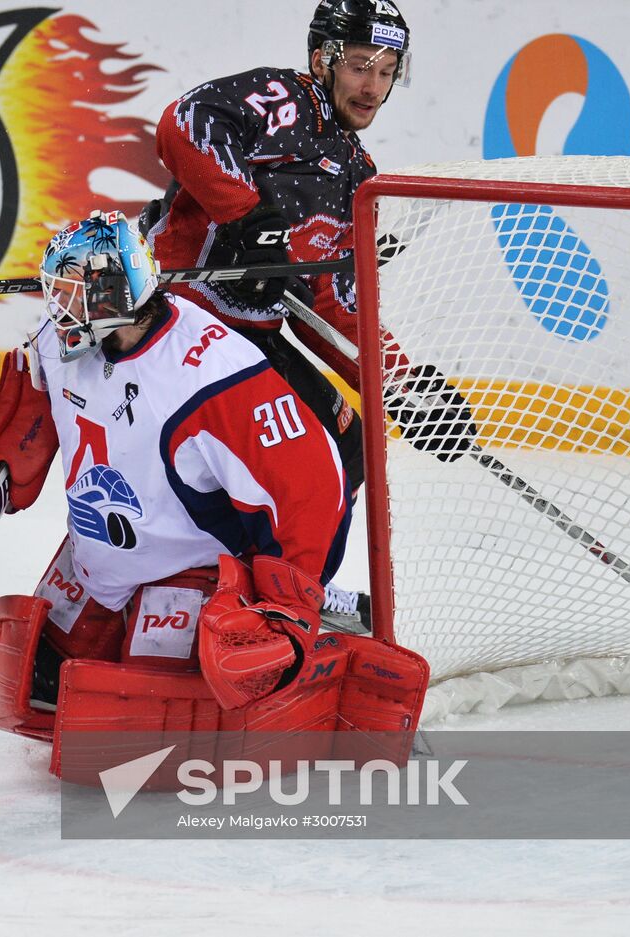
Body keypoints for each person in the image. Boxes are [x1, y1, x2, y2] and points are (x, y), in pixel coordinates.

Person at [0, 210, 426, 779]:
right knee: (29, 686)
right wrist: (16, 442)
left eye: (70, 291)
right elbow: (40, 400)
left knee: (143, 722)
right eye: (54, 289)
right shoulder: (60, 337)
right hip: (99, 550)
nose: (56, 306)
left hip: (187, 566)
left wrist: (290, 604)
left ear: (114, 295)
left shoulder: (214, 373)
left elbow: (311, 489)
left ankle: (318, 660)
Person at [142, 0, 473, 631]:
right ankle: (237, 592)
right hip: (179, 322)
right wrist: (246, 216)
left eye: (386, 69)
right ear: (323, 59)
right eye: (358, 66)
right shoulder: (284, 101)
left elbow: (334, 303)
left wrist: (400, 385)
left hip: (249, 339)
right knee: (292, 460)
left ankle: (286, 593)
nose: (373, 86)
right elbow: (184, 124)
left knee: (347, 440)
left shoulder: (356, 176)